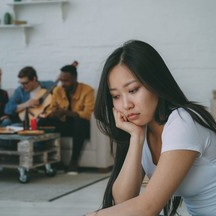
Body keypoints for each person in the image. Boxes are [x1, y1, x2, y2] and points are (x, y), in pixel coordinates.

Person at [85, 40, 216, 216]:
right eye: (115, 96)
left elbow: (148, 207)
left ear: (155, 82)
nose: (125, 104)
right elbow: (124, 201)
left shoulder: (182, 121)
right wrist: (136, 139)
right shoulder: (144, 130)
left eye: (133, 90)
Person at [38, 62, 95, 175]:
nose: (63, 84)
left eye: (66, 80)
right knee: (44, 121)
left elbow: (88, 113)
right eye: (61, 80)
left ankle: (73, 162)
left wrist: (66, 112)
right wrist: (54, 113)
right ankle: (54, 162)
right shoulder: (58, 90)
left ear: (75, 78)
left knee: (80, 122)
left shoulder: (87, 90)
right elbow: (51, 107)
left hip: (80, 126)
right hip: (64, 123)